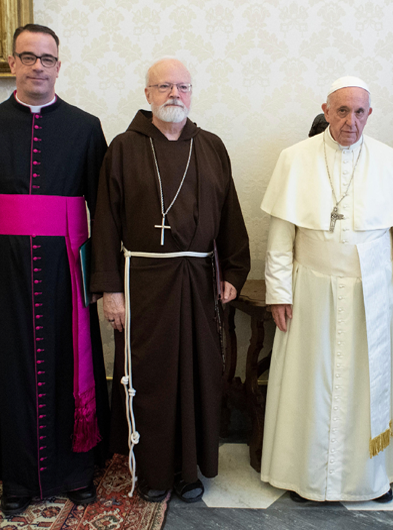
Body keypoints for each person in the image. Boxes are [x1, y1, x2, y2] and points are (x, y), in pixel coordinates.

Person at [0, 24, 110, 516]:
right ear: (12, 64)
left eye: (47, 58)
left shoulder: (86, 126)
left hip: (68, 270)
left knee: (71, 365)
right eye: (28, 56)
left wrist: (102, 281)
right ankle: (18, 481)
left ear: (59, 66)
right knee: (12, 371)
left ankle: (76, 472)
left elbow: (103, 211)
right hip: (4, 273)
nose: (38, 66)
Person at [90, 57, 250, 503]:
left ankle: (189, 470)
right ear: (147, 95)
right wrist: (109, 290)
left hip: (199, 279)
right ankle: (155, 470)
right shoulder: (123, 147)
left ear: (192, 92)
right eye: (163, 87)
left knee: (198, 373)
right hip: (141, 281)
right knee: (152, 378)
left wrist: (234, 271)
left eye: (182, 86)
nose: (173, 94)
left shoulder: (212, 146)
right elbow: (103, 222)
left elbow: (230, 215)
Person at [260, 76, 393, 503]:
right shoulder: (294, 159)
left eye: (360, 111)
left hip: (373, 291)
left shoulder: (389, 161)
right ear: (327, 110)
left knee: (370, 383)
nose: (352, 121)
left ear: (370, 114)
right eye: (343, 111)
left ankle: (371, 477)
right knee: (310, 384)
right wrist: (279, 291)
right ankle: (306, 477)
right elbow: (280, 236)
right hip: (311, 290)